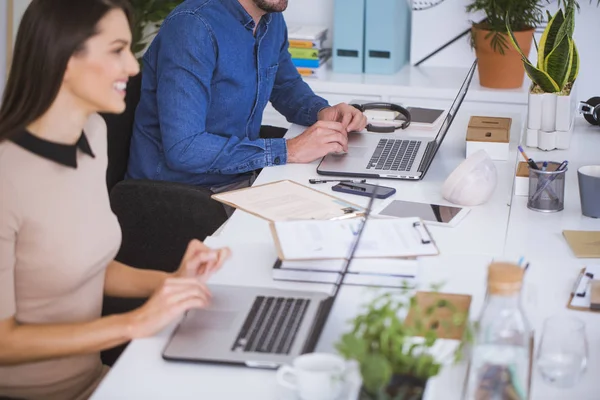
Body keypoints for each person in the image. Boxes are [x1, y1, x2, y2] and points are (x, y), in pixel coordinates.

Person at [0, 1, 230, 399]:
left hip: (98, 380)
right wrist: (133, 324)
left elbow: (87, 267)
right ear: (66, 57)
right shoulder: (8, 176)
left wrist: (174, 283)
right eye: (117, 50)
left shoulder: (91, 134)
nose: (133, 67)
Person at [126, 0, 368, 193]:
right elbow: (185, 149)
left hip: (240, 176)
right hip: (180, 194)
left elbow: (286, 87)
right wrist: (289, 150)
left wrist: (322, 112)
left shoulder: (271, 20)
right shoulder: (193, 27)